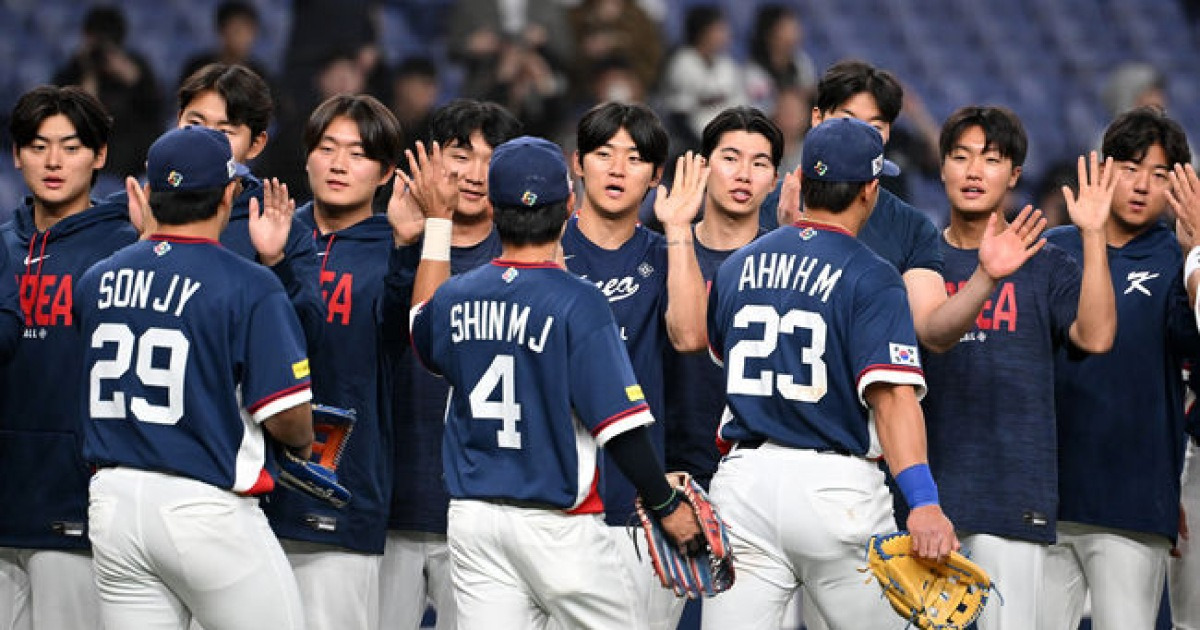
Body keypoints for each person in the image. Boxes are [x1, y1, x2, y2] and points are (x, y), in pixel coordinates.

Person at [407, 134, 702, 629]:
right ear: (569, 204)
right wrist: (665, 502)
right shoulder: (578, 300)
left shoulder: (455, 296)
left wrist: (438, 225)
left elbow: (419, 329)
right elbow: (620, 428)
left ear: (495, 210)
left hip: (474, 521)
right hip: (557, 523)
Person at [701, 117, 957, 629]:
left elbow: (718, 353)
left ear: (801, 180)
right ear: (869, 190)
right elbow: (892, 399)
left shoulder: (735, 267)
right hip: (835, 491)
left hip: (743, 487)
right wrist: (924, 503)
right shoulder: (873, 274)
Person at [79, 125, 314, 629]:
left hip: (114, 505)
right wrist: (304, 442)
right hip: (203, 505)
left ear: (150, 194)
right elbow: (290, 421)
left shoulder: (97, 280)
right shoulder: (251, 284)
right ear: (229, 194)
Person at [922, 105, 1117, 630]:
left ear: (1013, 174)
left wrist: (1094, 236)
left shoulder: (1047, 261)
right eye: (959, 157)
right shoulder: (918, 260)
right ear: (941, 169)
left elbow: (1096, 336)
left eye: (990, 159)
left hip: (1014, 493)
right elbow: (927, 339)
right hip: (925, 500)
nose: (972, 170)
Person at [1038, 107, 1199, 629]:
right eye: (1131, 167)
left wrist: (1197, 253)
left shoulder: (1179, 260)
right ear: (1103, 168)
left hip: (1134, 502)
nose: (1142, 186)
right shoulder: (1053, 250)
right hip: (1047, 497)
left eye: (1159, 175)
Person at [562, 101, 708, 630]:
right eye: (604, 154)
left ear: (656, 176)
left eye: (634, 157)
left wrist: (678, 229)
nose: (618, 168)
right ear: (577, 163)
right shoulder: (545, 248)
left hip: (642, 502)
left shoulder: (669, 250)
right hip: (555, 501)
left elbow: (690, 335)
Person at [261, 93, 403, 630]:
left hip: (345, 488)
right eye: (327, 148)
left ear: (386, 171)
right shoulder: (269, 231)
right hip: (251, 494)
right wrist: (273, 260)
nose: (339, 164)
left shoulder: (394, 246)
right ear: (306, 157)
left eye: (359, 153)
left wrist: (413, 248)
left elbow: (407, 335)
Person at [380, 99, 522, 630]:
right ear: (429, 161)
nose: (476, 174)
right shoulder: (386, 243)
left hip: (485, 516)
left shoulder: (523, 260)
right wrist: (401, 243)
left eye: (493, 158)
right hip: (388, 507)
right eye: (462, 155)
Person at [0, 85, 138, 630]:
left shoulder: (125, 249)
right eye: (37, 146)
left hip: (77, 503)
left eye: (71, 146)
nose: (53, 161)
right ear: (16, 154)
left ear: (100, 156)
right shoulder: (0, 247)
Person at [664, 105, 781, 489]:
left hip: (763, 476)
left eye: (759, 163)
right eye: (730, 158)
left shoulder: (787, 262)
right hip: (674, 471)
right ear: (704, 166)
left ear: (775, 180)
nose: (743, 174)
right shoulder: (662, 250)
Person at [172, 63, 325, 349]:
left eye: (225, 132)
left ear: (256, 145)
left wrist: (275, 262)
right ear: (177, 120)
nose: (205, 141)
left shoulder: (281, 228)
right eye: (194, 124)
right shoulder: (136, 211)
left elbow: (309, 334)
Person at [53, 5, 162, 179]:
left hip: (133, 152)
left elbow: (157, 109)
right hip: (89, 151)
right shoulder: (73, 70)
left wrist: (134, 79)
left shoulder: (134, 67)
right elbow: (70, 117)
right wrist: (88, 73)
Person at [660, 6, 746, 149]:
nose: (725, 34)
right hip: (692, 143)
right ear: (703, 32)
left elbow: (740, 109)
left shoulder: (727, 65)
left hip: (726, 140)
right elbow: (679, 117)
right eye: (718, 29)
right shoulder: (683, 63)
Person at [178, 1, 272, 88]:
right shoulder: (198, 69)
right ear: (221, 31)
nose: (243, 37)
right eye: (237, 30)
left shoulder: (260, 75)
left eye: (248, 30)